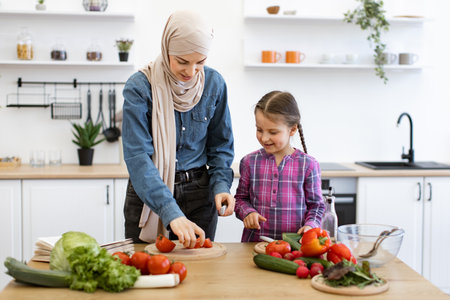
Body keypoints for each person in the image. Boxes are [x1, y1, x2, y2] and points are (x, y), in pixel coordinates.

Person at [121, 11, 235, 248]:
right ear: (166, 49)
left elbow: (221, 147)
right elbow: (138, 157)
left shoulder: (214, 84)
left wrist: (221, 185)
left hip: (199, 195)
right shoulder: (140, 87)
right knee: (144, 273)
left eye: (200, 62)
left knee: (201, 276)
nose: (191, 71)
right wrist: (168, 209)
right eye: (182, 61)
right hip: (147, 196)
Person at [234, 91, 325, 242]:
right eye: (259, 130)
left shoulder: (308, 165)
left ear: (292, 129)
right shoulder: (249, 162)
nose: (264, 138)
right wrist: (248, 213)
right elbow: (240, 199)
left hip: (295, 247)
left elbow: (317, 206)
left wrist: (311, 225)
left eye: (273, 132)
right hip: (255, 244)